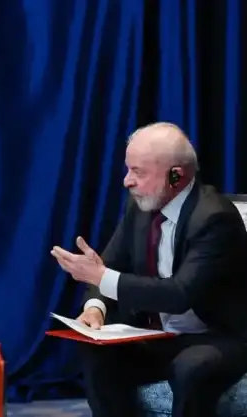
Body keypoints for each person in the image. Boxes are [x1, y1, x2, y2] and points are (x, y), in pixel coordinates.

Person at [50, 122, 247, 417]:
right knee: (96, 350)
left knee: (192, 367)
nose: (126, 181)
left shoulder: (215, 218)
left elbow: (180, 295)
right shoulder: (139, 207)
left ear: (176, 176)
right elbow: (109, 265)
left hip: (217, 337)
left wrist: (99, 276)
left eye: (138, 172)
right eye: (128, 170)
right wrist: (95, 308)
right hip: (160, 336)